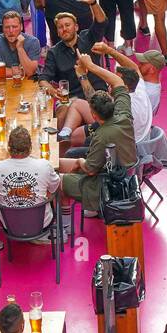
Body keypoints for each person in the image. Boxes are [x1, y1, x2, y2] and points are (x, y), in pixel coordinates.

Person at [60, 54, 137, 216]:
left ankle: (64, 223)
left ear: (94, 116)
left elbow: (90, 170)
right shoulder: (123, 115)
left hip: (107, 185)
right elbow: (118, 82)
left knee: (56, 179)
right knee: (58, 162)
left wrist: (80, 162)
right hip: (126, 175)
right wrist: (89, 68)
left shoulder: (101, 136)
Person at [0, 124, 60, 224]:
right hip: (42, 224)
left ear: (8, 147)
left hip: (9, 226)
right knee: (51, 187)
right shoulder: (45, 165)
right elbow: (54, 188)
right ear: (30, 147)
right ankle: (61, 225)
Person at [0, 9, 41, 79]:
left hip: (29, 82)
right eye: (7, 27)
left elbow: (30, 72)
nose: (11, 31)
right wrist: (21, 71)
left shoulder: (33, 41)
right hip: (5, 83)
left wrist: (20, 48)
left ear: (21, 27)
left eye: (14, 27)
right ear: (2, 28)